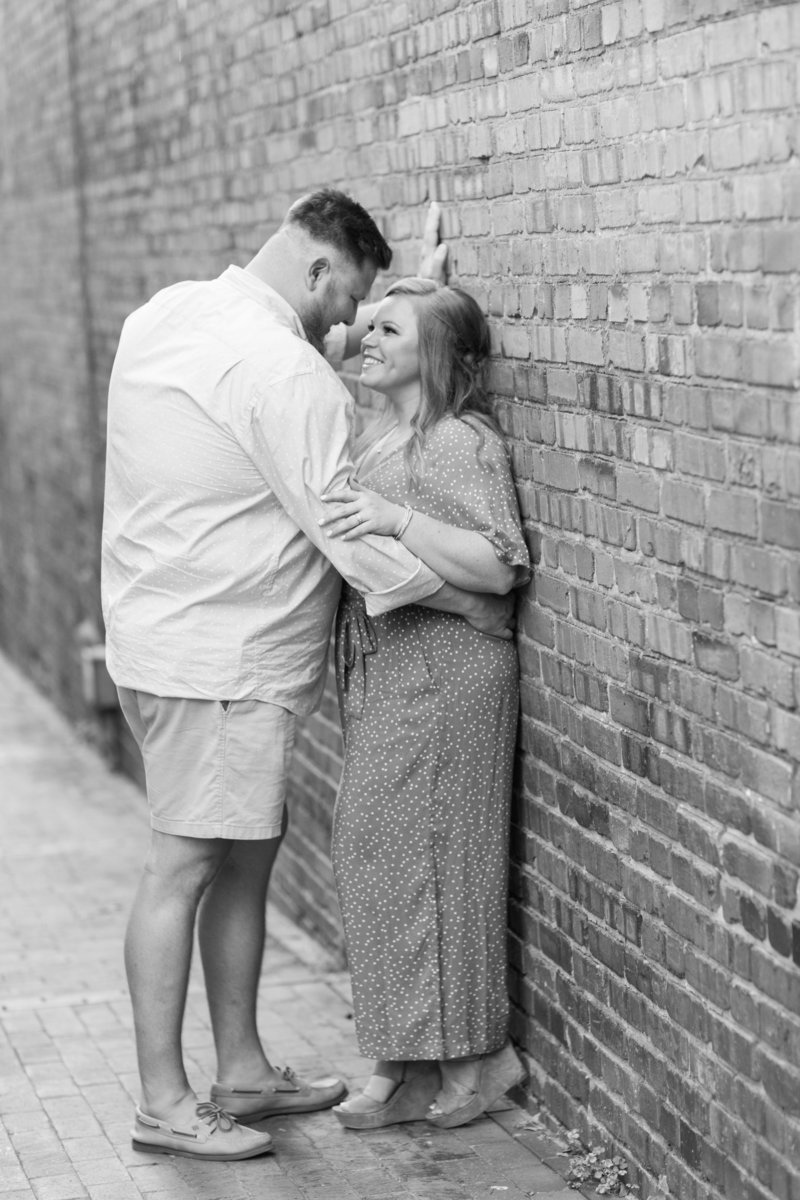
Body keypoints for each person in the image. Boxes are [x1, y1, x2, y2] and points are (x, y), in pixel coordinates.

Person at [100, 190, 513, 1162]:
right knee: (184, 866)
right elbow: (343, 525)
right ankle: (164, 1101)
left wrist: (405, 309)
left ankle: (240, 1070)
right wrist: (464, 603)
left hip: (161, 634)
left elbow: (274, 397)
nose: (343, 327)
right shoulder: (282, 371)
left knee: (243, 858)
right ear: (322, 271)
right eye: (349, 303)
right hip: (221, 662)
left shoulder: (167, 314)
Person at [318, 277, 531, 1131]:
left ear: (436, 353)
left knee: (434, 863)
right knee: (378, 855)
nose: (366, 337)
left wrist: (395, 523)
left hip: (448, 682)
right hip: (396, 673)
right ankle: (401, 1059)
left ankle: (477, 1059)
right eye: (367, 324)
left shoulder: (455, 442)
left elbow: (498, 567)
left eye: (388, 329)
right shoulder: (387, 434)